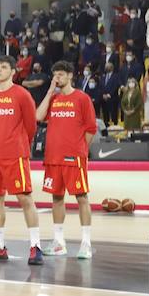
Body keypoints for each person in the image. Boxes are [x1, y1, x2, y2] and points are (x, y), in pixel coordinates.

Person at [0, 56, 42, 266]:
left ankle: (35, 246)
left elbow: (31, 125)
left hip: (15, 153)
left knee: (25, 198)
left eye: (4, 67)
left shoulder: (22, 94)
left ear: (13, 71)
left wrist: (21, 142)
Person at [37, 61, 99, 258]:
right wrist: (48, 92)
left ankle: (86, 243)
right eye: (55, 75)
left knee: (81, 197)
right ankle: (58, 242)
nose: (58, 78)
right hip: (53, 157)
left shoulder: (82, 98)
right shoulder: (53, 99)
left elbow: (91, 128)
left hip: (74, 157)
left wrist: (80, 149)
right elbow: (38, 117)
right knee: (56, 198)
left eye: (61, 74)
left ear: (71, 76)